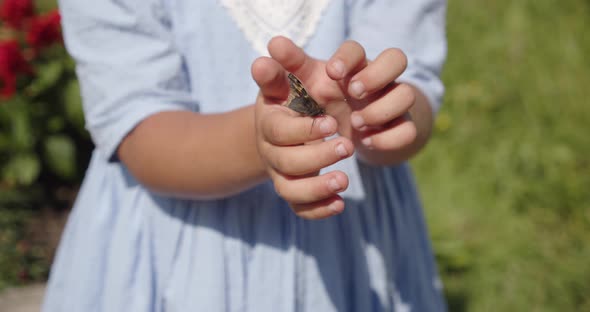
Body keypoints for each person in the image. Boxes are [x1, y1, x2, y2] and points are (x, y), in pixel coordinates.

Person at [43, 0, 447, 311]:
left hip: (356, 246)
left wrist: (378, 115)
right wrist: (261, 143)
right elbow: (137, 128)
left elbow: (414, 90)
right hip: (175, 258)